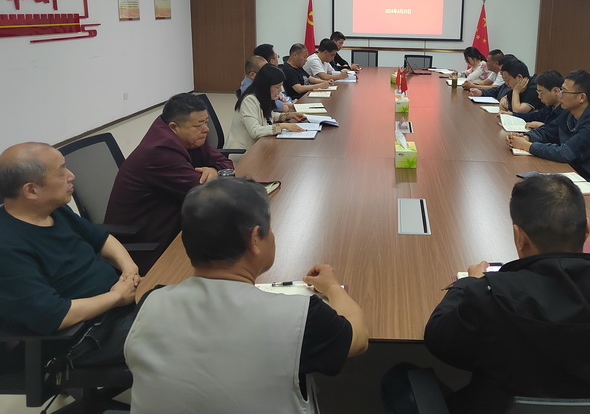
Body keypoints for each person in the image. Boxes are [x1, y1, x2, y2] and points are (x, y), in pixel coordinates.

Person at [385, 174, 590, 414]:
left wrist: (468, 284)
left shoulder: (492, 298)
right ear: (587, 231)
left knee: (399, 377)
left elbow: (439, 340)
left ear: (519, 236)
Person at [125, 177, 369, 413]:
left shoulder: (150, 303)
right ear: (254, 239)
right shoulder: (301, 317)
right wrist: (332, 287)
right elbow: (358, 339)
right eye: (269, 229)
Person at [0, 143, 138, 337]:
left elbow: (103, 239)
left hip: (123, 304)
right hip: (92, 331)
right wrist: (116, 297)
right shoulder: (7, 247)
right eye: (61, 172)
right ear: (31, 191)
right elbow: (54, 315)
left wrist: (129, 268)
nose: (71, 176)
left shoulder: (53, 209)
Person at [105, 93, 234, 274]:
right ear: (174, 127)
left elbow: (226, 163)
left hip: (176, 219)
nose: (206, 129)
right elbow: (204, 194)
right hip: (149, 239)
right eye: (199, 125)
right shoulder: (159, 150)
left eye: (206, 122)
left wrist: (213, 169)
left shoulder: (191, 136)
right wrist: (217, 175)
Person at [507, 70, 590, 187]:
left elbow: (567, 153)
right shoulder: (570, 108)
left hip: (587, 178)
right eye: (560, 90)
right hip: (569, 168)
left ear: (581, 97)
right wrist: (526, 137)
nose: (559, 96)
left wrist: (527, 146)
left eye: (564, 92)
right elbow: (550, 130)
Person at [225, 64, 308, 150]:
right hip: (243, 151)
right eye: (277, 87)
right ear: (266, 86)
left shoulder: (262, 96)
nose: (280, 90)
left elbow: (268, 115)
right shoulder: (249, 100)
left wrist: (290, 115)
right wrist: (283, 126)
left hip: (258, 146)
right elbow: (255, 131)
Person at [468, 57, 541, 114]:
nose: (506, 83)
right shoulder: (519, 85)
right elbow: (505, 98)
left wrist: (515, 92)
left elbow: (518, 111)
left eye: (508, 80)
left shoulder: (534, 88)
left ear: (519, 77)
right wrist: (504, 99)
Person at [252, 43, 293, 111]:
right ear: (272, 61)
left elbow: (282, 97)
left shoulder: (273, 77)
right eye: (277, 57)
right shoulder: (264, 81)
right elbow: (282, 107)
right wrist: (289, 104)